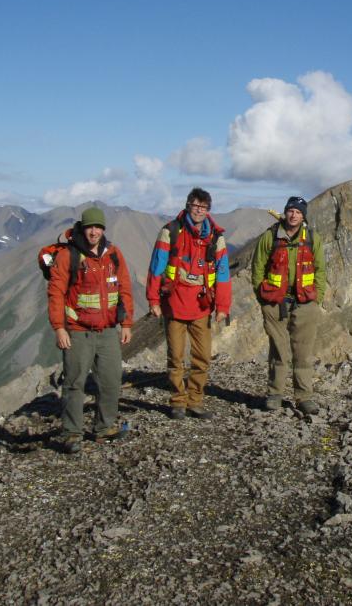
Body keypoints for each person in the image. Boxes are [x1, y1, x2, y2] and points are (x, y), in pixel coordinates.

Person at [47, 206, 134, 454]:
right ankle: (71, 433)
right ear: (83, 228)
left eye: (98, 227)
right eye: (90, 227)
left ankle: (104, 428)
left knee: (111, 380)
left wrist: (126, 323)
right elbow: (55, 293)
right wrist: (59, 328)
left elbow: (124, 289)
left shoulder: (114, 255)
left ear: (103, 229)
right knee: (74, 382)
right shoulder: (68, 256)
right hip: (77, 330)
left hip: (107, 331)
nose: (94, 232)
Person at [146, 188, 231, 420]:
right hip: (174, 304)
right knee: (175, 356)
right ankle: (177, 402)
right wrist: (153, 300)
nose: (198, 210)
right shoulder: (170, 232)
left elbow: (223, 274)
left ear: (208, 210)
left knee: (202, 356)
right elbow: (156, 267)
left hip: (202, 306)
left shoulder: (216, 237)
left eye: (203, 207)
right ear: (187, 205)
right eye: (195, 205)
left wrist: (223, 306)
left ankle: (195, 401)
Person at [251, 196, 326, 414]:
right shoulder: (270, 236)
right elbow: (258, 268)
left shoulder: (312, 238)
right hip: (275, 304)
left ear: (303, 216)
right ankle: (275, 394)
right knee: (279, 351)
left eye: (298, 212)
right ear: (285, 212)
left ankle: (304, 397)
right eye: (290, 211)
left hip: (305, 304)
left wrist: (316, 300)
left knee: (303, 351)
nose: (293, 215)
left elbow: (321, 270)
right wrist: (263, 298)